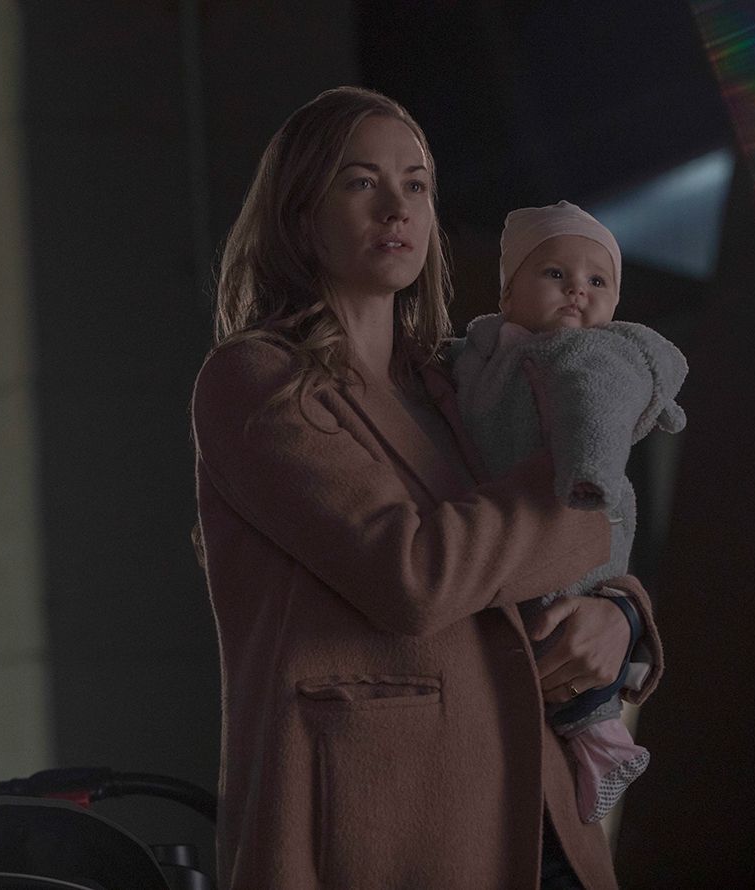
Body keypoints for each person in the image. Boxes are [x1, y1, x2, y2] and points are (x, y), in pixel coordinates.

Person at [191, 87, 663, 889]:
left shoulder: (456, 383)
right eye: (359, 181)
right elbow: (413, 576)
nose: (396, 207)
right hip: (382, 825)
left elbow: (531, 563)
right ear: (300, 212)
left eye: (414, 184)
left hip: (537, 807)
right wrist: (576, 475)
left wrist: (619, 616)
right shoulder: (256, 380)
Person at [450, 202, 687, 824]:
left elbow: (596, 413)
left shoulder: (587, 355)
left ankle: (606, 748)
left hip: (583, 507)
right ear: (508, 292)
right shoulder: (483, 350)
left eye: (597, 281)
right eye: (556, 274)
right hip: (520, 524)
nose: (578, 290)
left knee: (561, 621)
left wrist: (591, 474)